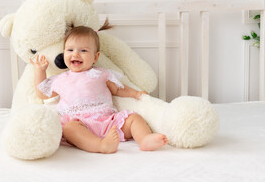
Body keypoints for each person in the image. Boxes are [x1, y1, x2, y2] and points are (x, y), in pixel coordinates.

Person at [30, 23, 168, 154]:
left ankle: (144, 139)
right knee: (69, 129)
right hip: (80, 124)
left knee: (134, 118)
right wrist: (40, 71)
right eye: (70, 50)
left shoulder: (101, 74)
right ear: (64, 52)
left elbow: (118, 89)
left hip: (108, 122)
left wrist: (136, 94)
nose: (76, 54)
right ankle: (101, 145)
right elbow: (42, 93)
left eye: (83, 50)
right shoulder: (61, 79)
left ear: (96, 57)